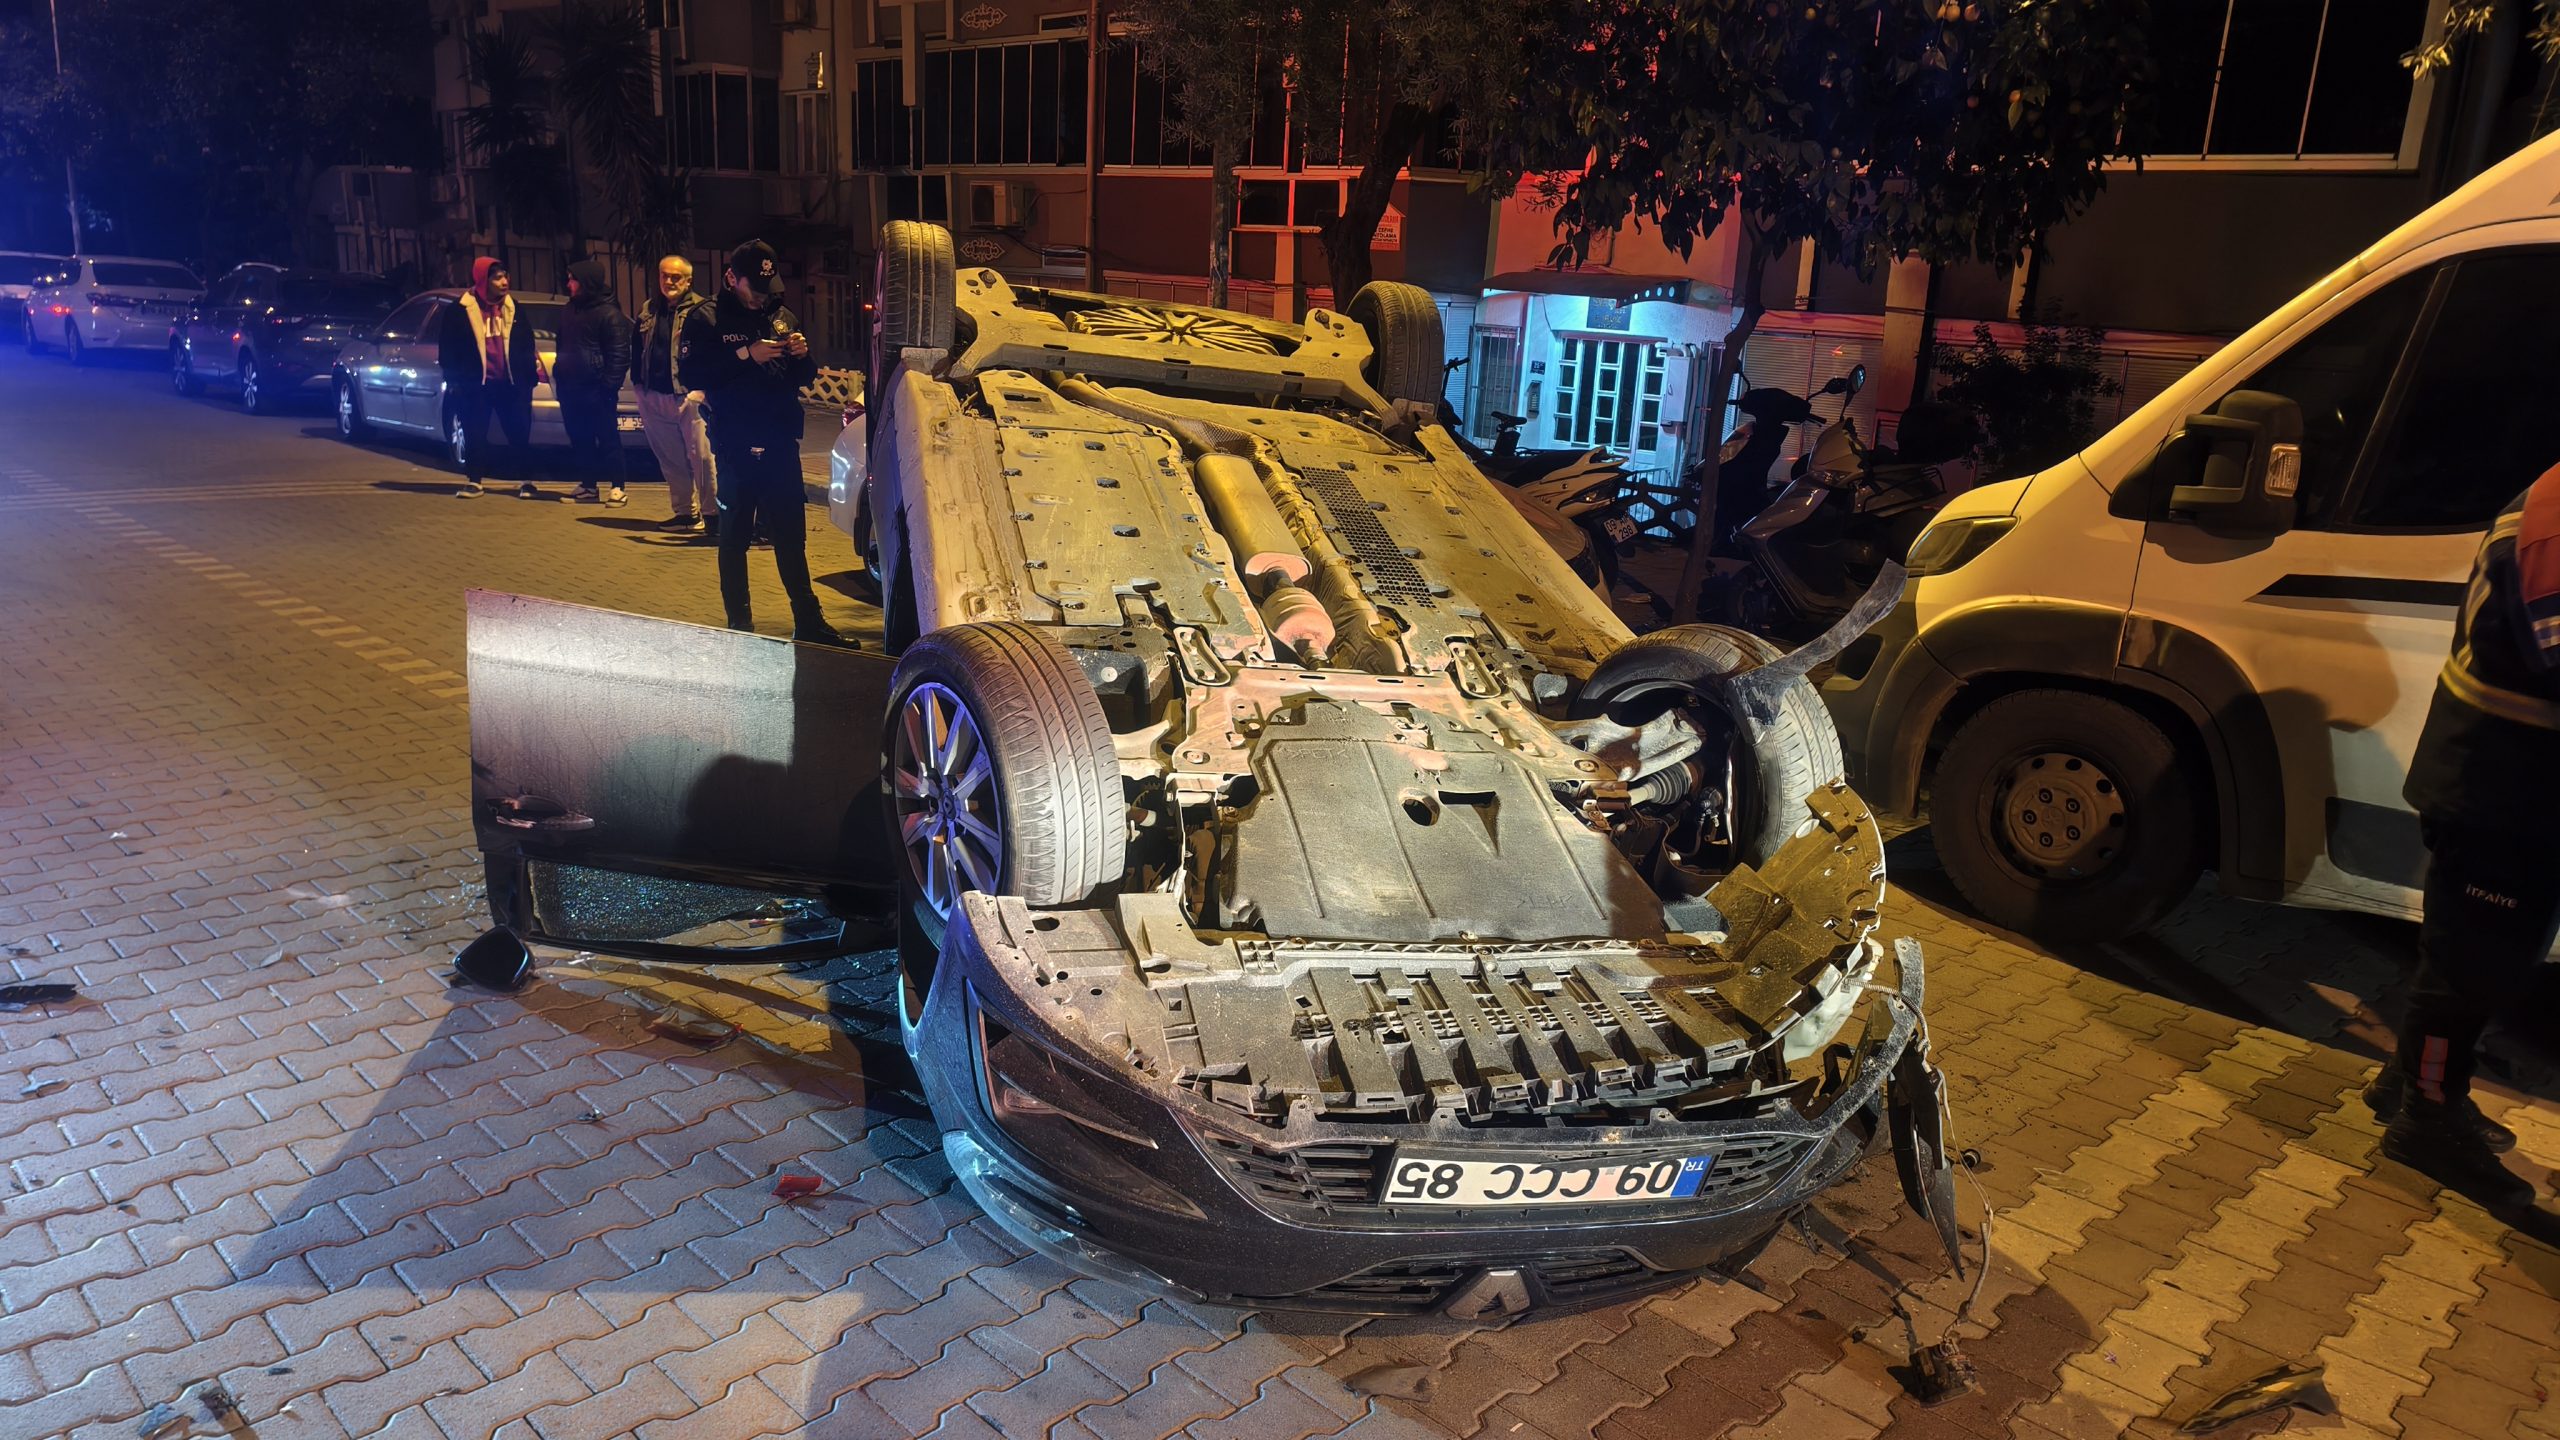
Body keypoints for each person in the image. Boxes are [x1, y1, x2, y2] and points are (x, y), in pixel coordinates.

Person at [2371, 464, 2560, 1207]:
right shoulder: (2555, 522)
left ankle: (2409, 1082)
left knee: (2477, 958)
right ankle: (2427, 1120)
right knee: (2468, 969)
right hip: (2498, 789)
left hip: (2510, 786)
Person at [680, 240, 848, 646]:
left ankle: (809, 621)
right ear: (731, 278)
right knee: (734, 537)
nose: (761, 298)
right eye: (754, 289)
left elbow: (801, 378)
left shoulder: (781, 315)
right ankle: (740, 625)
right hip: (735, 443)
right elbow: (692, 374)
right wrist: (745, 355)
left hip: (780, 439)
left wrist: (802, 356)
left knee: (790, 536)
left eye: (767, 289)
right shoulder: (706, 318)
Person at [436, 258, 545, 499]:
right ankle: (474, 481)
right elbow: (448, 348)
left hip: (510, 383)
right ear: (483, 280)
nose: (504, 282)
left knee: (519, 432)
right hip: (476, 383)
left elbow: (526, 343)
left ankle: (527, 481)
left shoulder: (513, 307)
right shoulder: (460, 310)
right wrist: (455, 380)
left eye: (505, 276)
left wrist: (528, 378)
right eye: (497, 278)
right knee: (474, 432)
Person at [633, 253, 716, 534]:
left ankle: (713, 515)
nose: (668, 281)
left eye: (675, 277)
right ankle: (685, 514)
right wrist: (639, 386)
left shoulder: (702, 311)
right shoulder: (648, 309)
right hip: (654, 395)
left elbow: (713, 352)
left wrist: (703, 390)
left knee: (702, 458)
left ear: (688, 281)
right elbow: (637, 347)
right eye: (664, 275)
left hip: (689, 396)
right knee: (670, 459)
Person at [556, 258, 633, 505]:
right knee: (580, 437)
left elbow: (619, 354)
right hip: (571, 388)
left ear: (587, 282)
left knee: (607, 437)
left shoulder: (609, 313)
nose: (569, 284)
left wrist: (608, 386)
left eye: (573, 279)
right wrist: (560, 375)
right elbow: (562, 344)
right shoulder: (570, 310)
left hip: (597, 389)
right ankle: (588, 485)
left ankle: (618, 487)